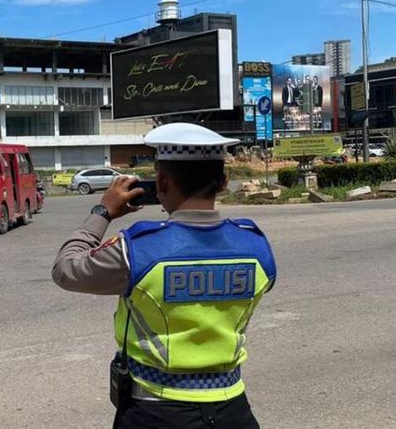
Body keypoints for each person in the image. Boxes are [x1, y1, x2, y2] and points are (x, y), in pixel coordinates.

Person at [52, 123, 277, 429]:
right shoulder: (257, 248)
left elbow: (65, 269)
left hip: (154, 413)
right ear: (224, 181)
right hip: (233, 411)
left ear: (160, 182)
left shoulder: (137, 251)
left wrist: (102, 212)